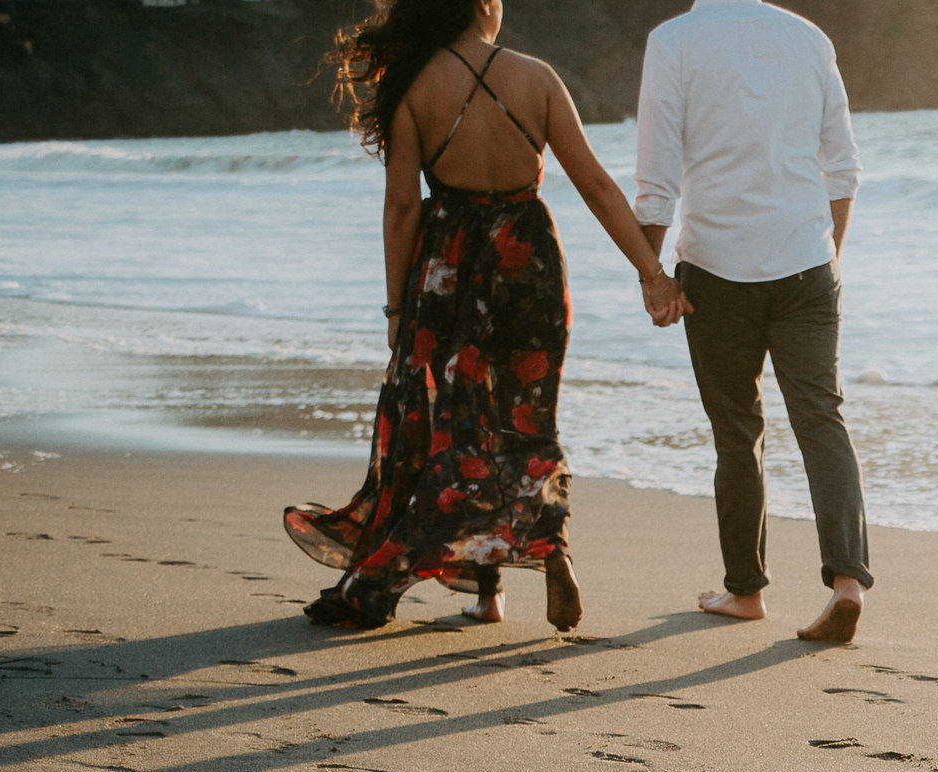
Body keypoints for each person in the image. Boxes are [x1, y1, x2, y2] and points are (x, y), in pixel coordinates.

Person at [286, 0, 688, 632]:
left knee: (456, 426)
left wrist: (397, 308)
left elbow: (400, 208)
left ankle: (477, 587)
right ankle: (541, 552)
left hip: (449, 270)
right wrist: (653, 274)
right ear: (482, 4)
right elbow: (596, 184)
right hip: (528, 262)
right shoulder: (536, 77)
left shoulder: (413, 86)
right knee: (525, 420)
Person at [634, 0, 872, 644]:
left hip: (716, 271)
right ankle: (848, 583)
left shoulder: (674, 41)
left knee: (737, 431)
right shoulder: (808, 36)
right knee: (822, 418)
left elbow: (656, 180)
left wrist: (650, 273)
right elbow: (843, 167)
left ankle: (745, 591)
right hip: (807, 265)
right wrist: (826, 260)